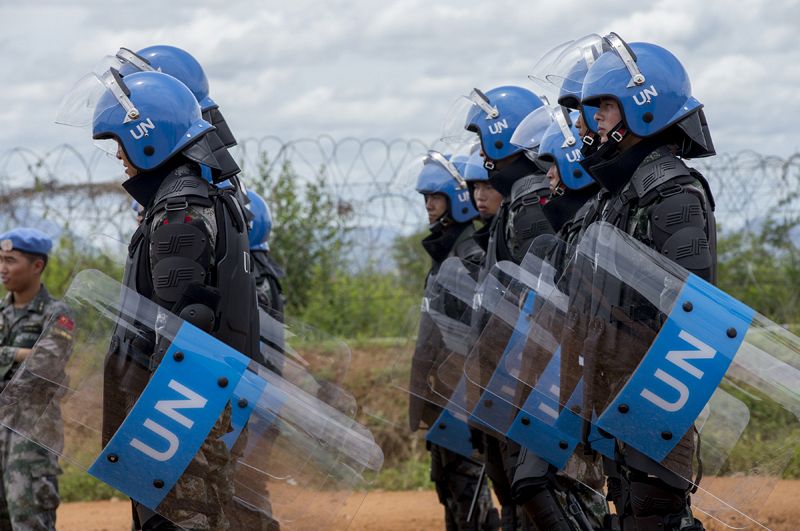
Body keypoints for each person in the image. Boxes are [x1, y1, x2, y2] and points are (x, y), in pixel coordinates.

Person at [88, 68, 259, 530]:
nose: (119, 155)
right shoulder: (197, 197)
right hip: (193, 410)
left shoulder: (178, 212)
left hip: (175, 417)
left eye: (121, 141)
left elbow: (180, 329)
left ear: (149, 138)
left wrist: (155, 440)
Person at [577, 34, 716, 530]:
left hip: (658, 402)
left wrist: (657, 412)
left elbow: (691, 313)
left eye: (607, 106)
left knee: (655, 519)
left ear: (643, 106)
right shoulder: (621, 195)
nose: (597, 119)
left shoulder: (672, 191)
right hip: (617, 397)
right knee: (630, 516)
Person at [409, 151, 497, 530]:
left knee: (470, 491)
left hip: (464, 395)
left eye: (436, 198)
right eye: (426, 198)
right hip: (445, 395)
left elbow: (477, 335)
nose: (428, 206)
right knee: (449, 485)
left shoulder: (470, 255)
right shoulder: (447, 252)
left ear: (456, 201)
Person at [0, 227, 74, 531]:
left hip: (32, 435)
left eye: (11, 260)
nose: (3, 268)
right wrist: (19, 353)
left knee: (30, 522)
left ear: (37, 266)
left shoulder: (57, 314)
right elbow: (32, 357)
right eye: (0, 259)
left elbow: (46, 363)